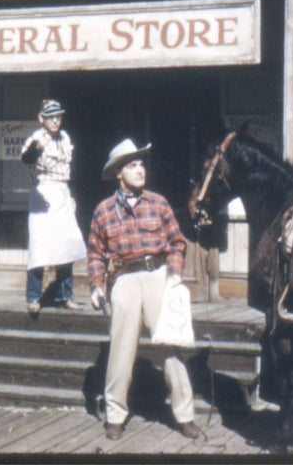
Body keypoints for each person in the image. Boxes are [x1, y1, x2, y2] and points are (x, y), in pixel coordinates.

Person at [86, 138, 199, 441]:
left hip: (157, 276)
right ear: (118, 173)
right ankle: (115, 415)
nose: (139, 170)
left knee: (169, 346)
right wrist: (96, 286)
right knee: (121, 351)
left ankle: (185, 415)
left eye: (141, 164)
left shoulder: (158, 203)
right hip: (123, 280)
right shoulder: (104, 211)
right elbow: (95, 253)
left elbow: (177, 242)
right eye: (132, 165)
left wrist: (174, 273)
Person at [21, 99, 87, 314]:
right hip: (43, 193)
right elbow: (26, 158)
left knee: (66, 244)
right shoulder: (37, 138)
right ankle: (33, 297)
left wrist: (73, 195)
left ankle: (64, 296)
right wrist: (36, 149)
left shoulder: (65, 138)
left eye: (58, 116)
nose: (56, 121)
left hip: (62, 192)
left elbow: (72, 168)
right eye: (51, 117)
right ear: (42, 119)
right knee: (40, 245)